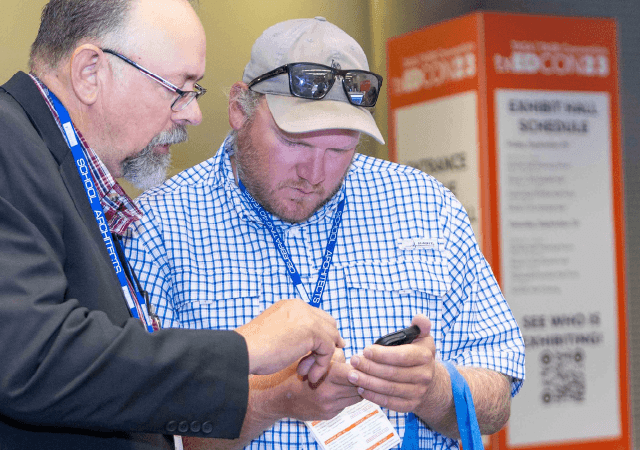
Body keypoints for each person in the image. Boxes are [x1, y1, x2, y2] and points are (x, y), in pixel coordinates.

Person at [0, 2, 347, 449]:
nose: (191, 115)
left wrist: (276, 398)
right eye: (179, 88)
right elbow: (34, 360)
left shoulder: (69, 177)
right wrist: (247, 347)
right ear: (91, 71)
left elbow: (107, 383)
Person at [124, 17, 526, 449]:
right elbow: (144, 430)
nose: (314, 175)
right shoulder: (156, 227)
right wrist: (274, 400)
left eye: (340, 149)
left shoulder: (426, 206)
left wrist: (432, 390)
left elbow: (497, 402)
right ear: (239, 108)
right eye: (294, 142)